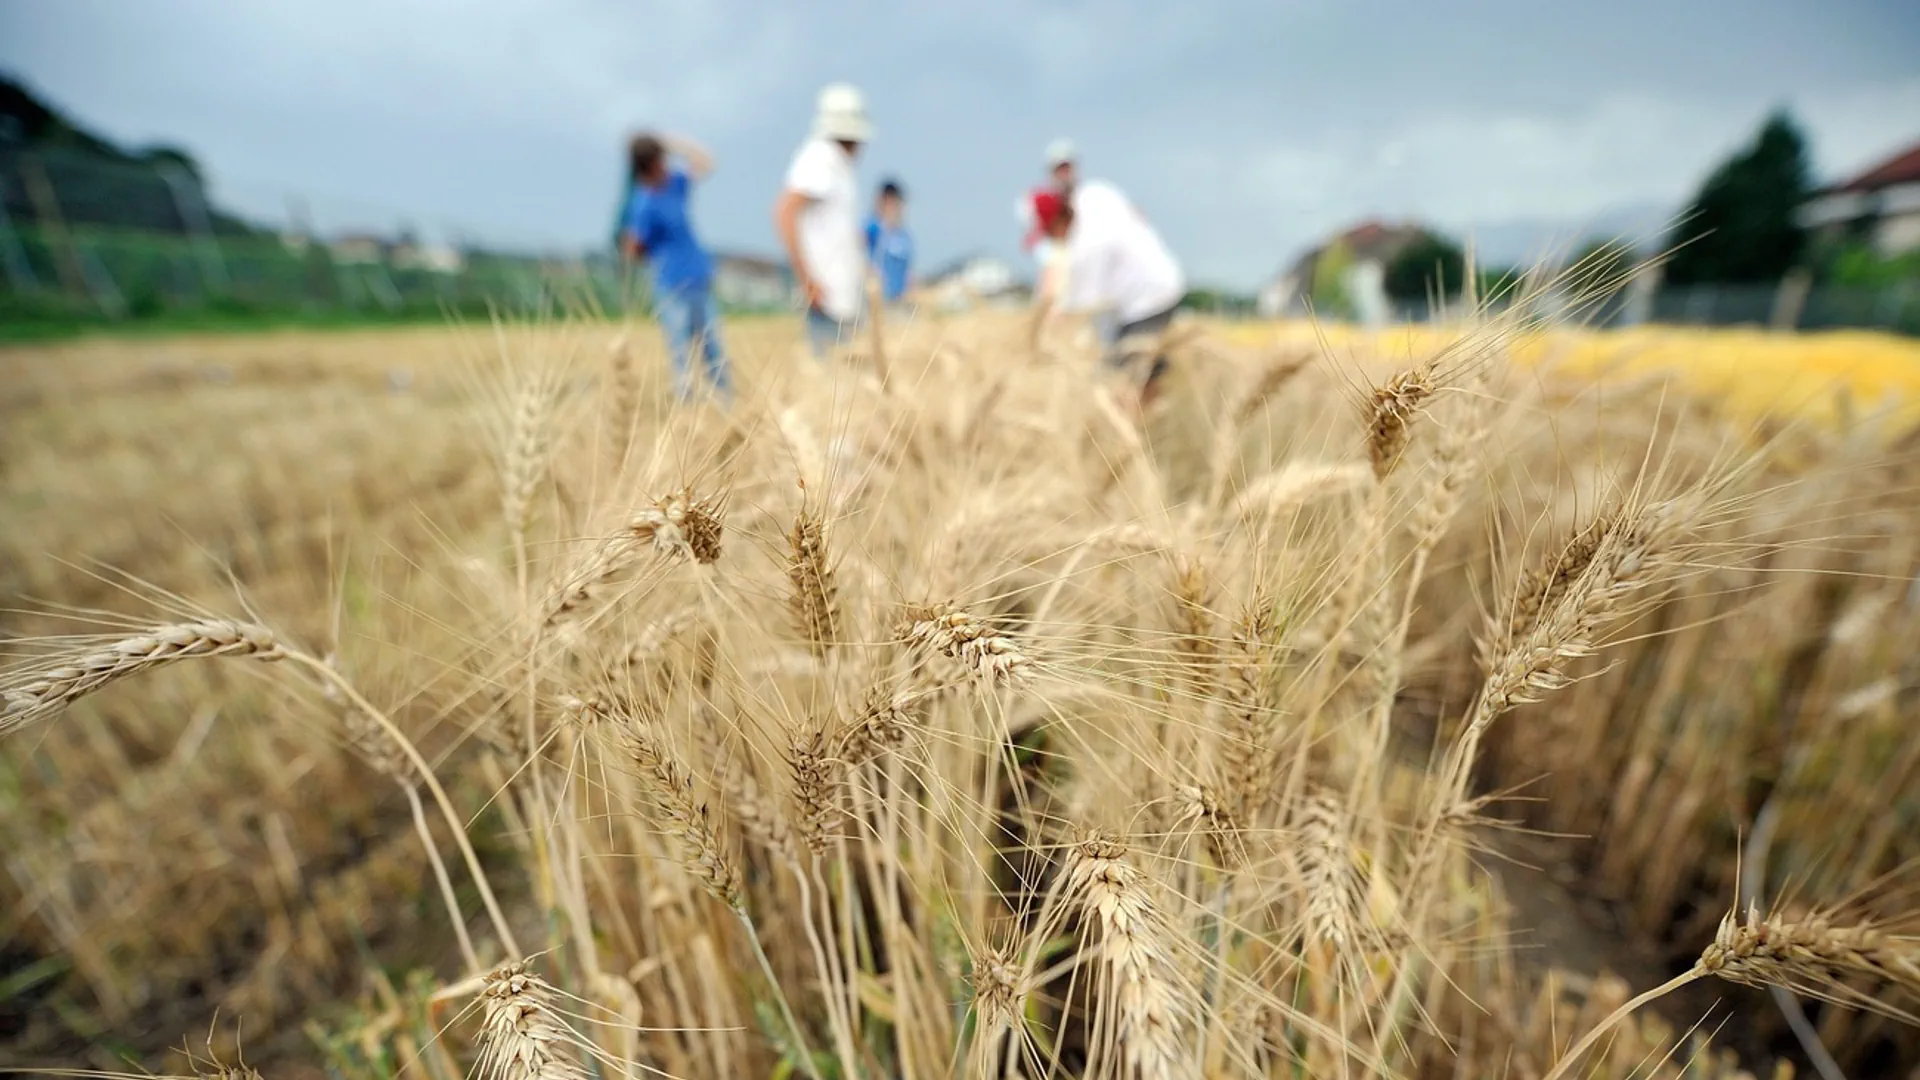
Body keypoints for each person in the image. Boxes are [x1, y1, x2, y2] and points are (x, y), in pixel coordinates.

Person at [1029, 180, 1186, 412]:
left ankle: (1144, 426)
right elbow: (1136, 210)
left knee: (1123, 377)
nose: (1051, 239)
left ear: (1059, 221)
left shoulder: (1086, 250)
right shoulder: (1092, 194)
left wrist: (1053, 321)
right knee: (1136, 363)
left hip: (1150, 299)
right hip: (1164, 275)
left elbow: (1089, 313)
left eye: (1050, 232)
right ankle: (1155, 403)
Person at [619, 132, 731, 404]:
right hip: (671, 287)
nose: (667, 164)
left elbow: (707, 163)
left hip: (698, 278)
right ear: (650, 165)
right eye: (662, 159)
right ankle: (688, 417)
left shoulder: (675, 184)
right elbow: (632, 248)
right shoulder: (643, 203)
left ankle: (727, 410)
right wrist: (653, 251)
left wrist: (670, 143)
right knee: (681, 354)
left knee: (713, 350)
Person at [774, 83, 872, 358]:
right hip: (825, 296)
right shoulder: (819, 158)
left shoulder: (836, 164)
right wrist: (808, 280)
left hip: (842, 295)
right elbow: (784, 212)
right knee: (832, 385)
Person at [864, 178, 914, 310]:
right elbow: (857, 249)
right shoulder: (873, 227)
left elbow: (907, 270)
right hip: (878, 300)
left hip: (899, 299)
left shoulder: (904, 235)